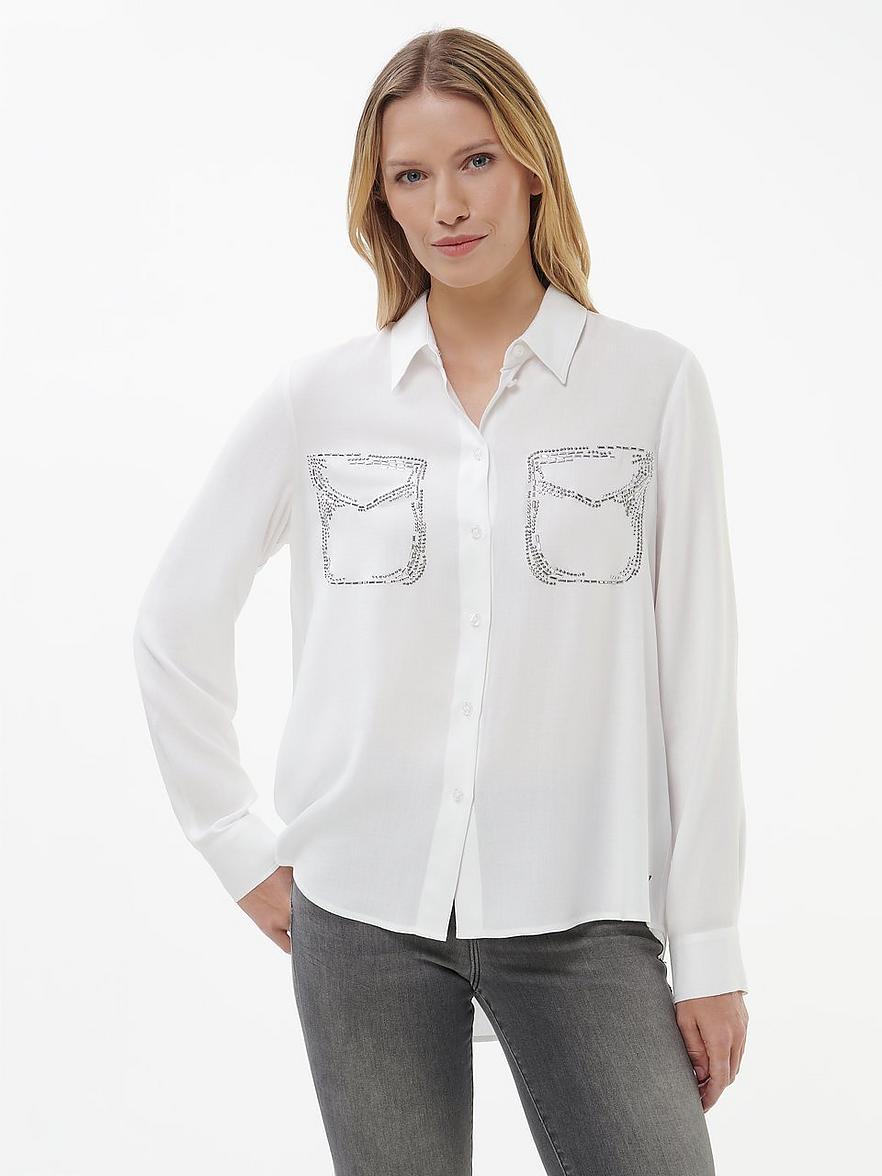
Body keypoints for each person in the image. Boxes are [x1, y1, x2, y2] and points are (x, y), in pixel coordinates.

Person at [133, 25, 749, 1176]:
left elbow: (696, 679)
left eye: (474, 162)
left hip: (585, 909)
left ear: (531, 168)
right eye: (410, 176)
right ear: (382, 201)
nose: (447, 205)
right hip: (363, 913)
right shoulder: (322, 398)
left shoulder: (650, 385)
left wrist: (708, 947)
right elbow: (174, 621)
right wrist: (236, 845)